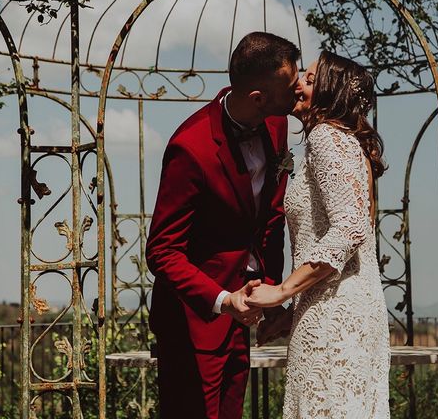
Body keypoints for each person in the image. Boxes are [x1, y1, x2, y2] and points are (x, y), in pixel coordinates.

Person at [145, 31, 301, 419]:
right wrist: (221, 300)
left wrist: (271, 292)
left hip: (243, 311)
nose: (297, 91)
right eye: (289, 87)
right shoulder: (191, 147)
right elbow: (161, 252)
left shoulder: (277, 127)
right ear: (257, 99)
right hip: (194, 320)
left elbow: (271, 217)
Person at [246, 50, 391, 418]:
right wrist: (290, 313)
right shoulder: (339, 141)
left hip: (335, 316)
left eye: (310, 81)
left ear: (330, 94)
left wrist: (281, 290)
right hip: (339, 305)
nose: (297, 85)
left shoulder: (327, 137)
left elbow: (350, 228)